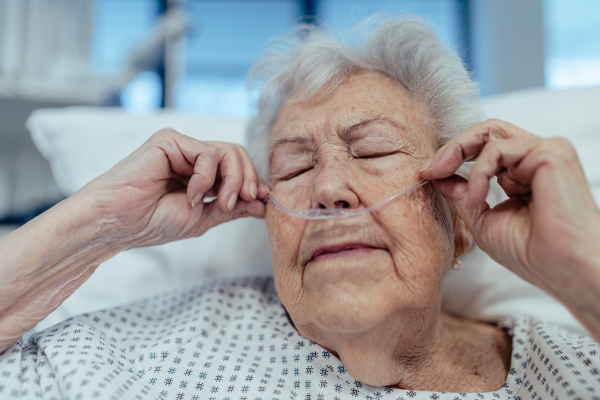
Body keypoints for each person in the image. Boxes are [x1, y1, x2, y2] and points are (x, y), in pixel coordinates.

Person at [1, 16, 599, 399]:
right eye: (295, 166)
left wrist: (581, 265)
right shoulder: (152, 350)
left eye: (374, 150)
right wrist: (97, 225)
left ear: (460, 221)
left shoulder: (570, 366)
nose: (328, 188)